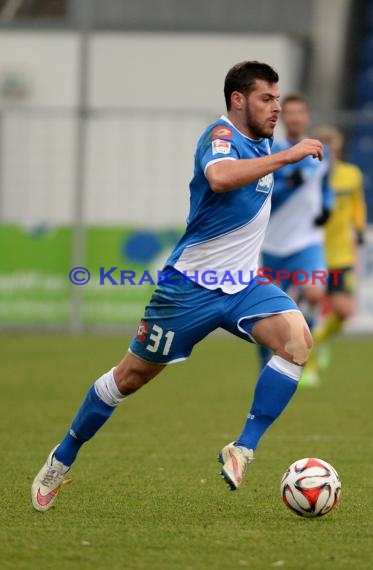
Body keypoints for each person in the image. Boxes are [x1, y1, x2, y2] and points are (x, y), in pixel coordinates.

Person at [31, 61, 324, 512]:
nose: (276, 108)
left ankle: (243, 447)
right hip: (188, 289)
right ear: (238, 100)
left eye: (278, 98)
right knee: (129, 378)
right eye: (267, 98)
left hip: (243, 283)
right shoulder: (220, 137)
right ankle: (63, 456)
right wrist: (289, 155)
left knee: (297, 340)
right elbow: (220, 177)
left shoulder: (263, 141)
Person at [258, 93, 334, 381]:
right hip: (274, 244)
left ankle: (304, 355)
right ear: (281, 117)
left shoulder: (320, 151)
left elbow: (326, 185)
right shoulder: (272, 153)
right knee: (267, 314)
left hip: (307, 242)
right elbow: (265, 199)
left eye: (299, 113)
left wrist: (327, 207)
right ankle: (266, 364)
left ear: (306, 117)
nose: (294, 118)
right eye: (288, 113)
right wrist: (289, 183)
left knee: (315, 292)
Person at [303, 125, 366, 377]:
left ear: (339, 146)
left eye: (333, 143)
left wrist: (359, 228)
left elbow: (357, 204)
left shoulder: (351, 174)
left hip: (340, 254)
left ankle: (319, 338)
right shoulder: (309, 175)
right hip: (311, 252)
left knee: (344, 311)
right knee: (310, 303)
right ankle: (307, 365)